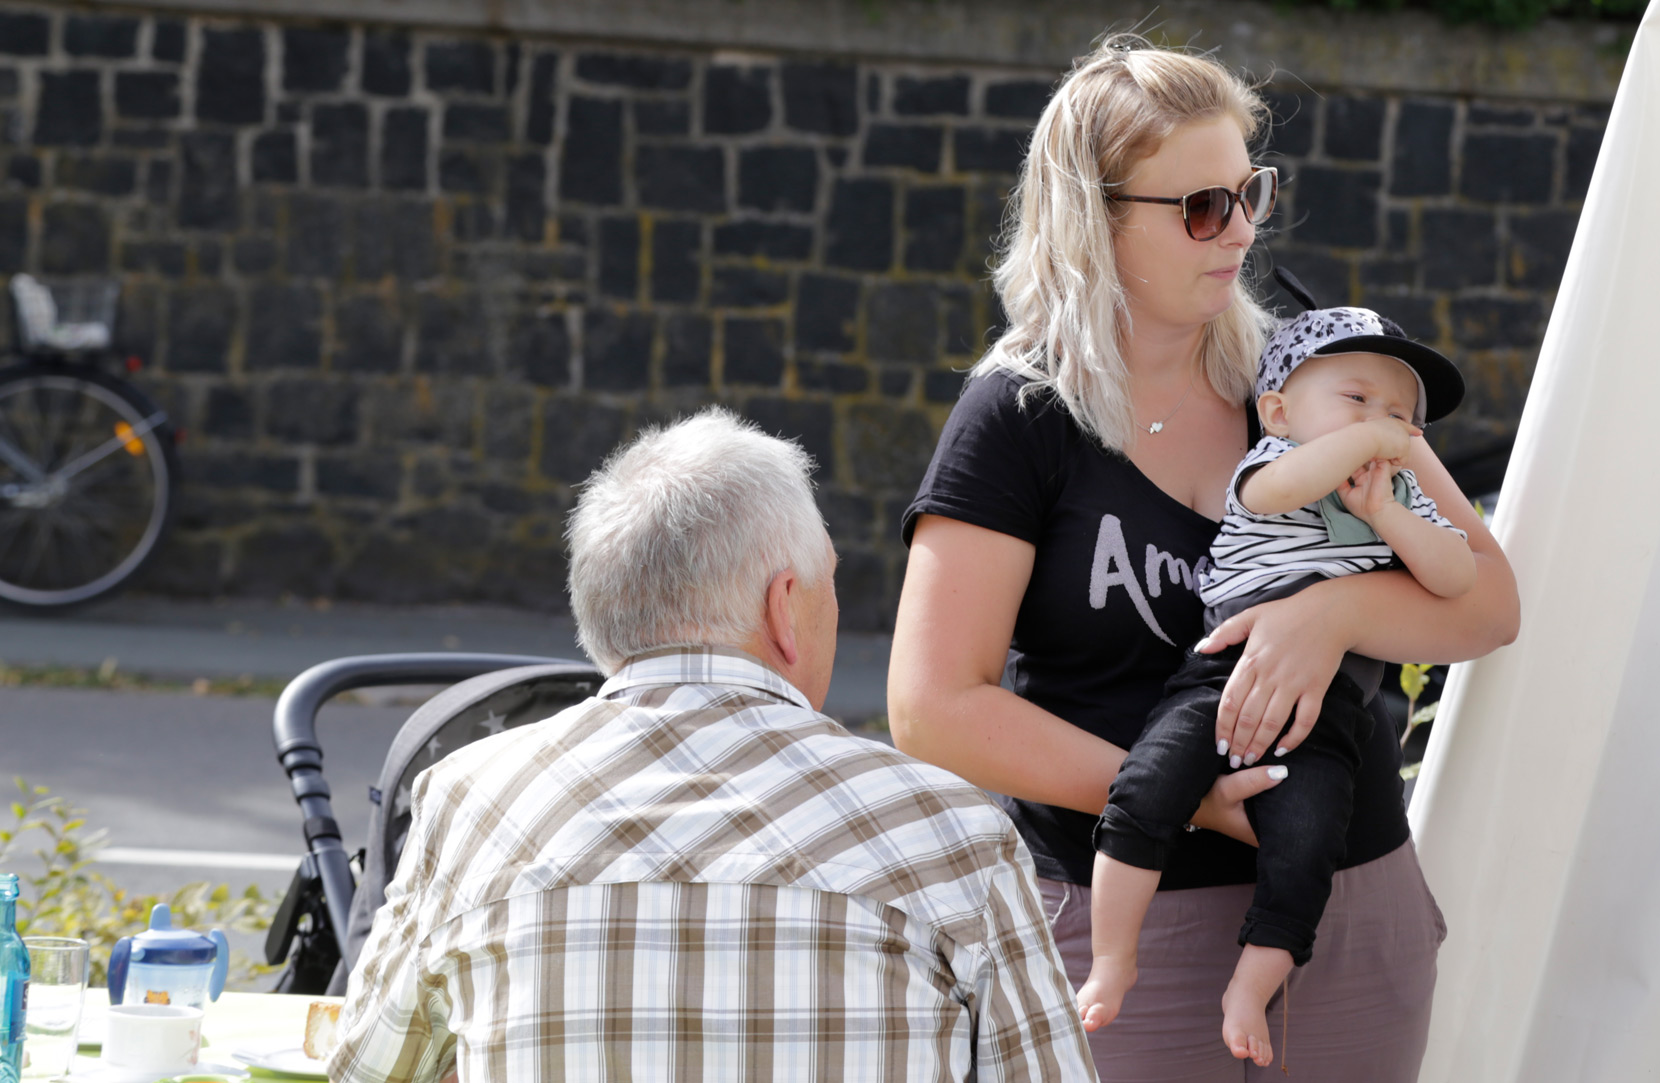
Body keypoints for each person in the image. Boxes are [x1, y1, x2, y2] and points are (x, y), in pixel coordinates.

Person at [889, 34, 1520, 1082]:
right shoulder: (1020, 416)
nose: (1236, 234)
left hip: (1345, 898)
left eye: (1249, 193)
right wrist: (1180, 796)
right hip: (1123, 925)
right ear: (1092, 217)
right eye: (1198, 208)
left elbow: (1488, 602)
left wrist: (1338, 614)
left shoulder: (1310, 376)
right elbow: (932, 706)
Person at [329, 408, 1097, 1083]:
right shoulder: (950, 831)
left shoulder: (467, 799)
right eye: (829, 582)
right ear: (783, 609)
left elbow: (364, 1068)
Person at [1077, 289, 1479, 1066]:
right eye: (1358, 399)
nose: (1383, 422)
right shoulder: (1268, 465)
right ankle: (1112, 956)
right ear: (1279, 411)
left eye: (1402, 414)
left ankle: (1251, 986)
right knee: (1146, 790)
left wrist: (1394, 511)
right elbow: (1288, 491)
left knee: (1305, 849)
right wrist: (1365, 439)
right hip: (1221, 677)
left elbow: (1459, 573)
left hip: (1327, 713)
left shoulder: (1397, 494)